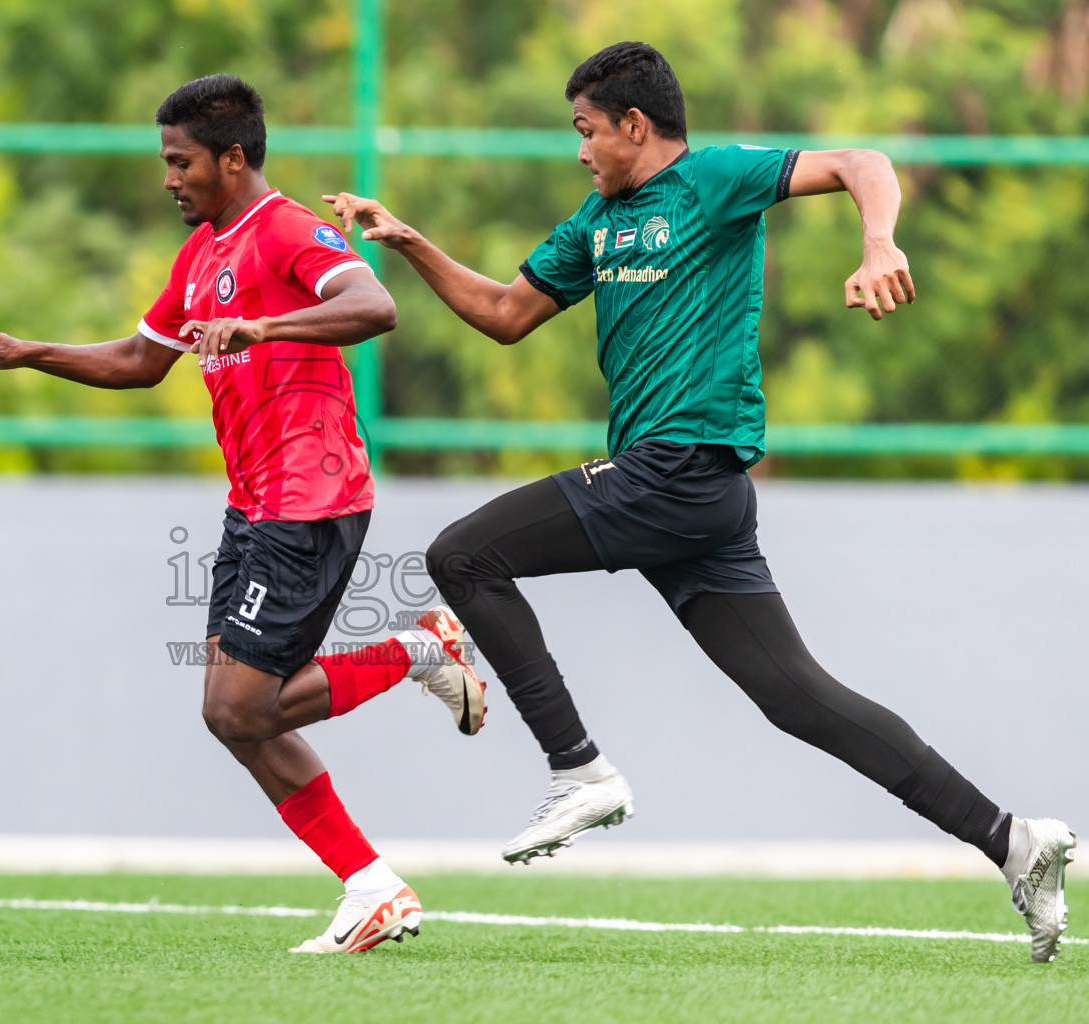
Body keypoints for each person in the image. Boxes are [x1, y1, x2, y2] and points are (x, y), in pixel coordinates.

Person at [326, 41, 1076, 962]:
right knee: (802, 701)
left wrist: (879, 239)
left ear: (634, 126)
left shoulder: (716, 180)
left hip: (680, 472)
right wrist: (406, 242)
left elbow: (861, 163)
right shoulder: (595, 220)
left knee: (462, 555)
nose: (580, 152)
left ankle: (578, 768)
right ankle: (1013, 841)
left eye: (586, 131)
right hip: (691, 499)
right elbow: (504, 314)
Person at [0, 73, 485, 955]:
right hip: (254, 505)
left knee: (240, 708)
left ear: (232, 158)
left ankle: (420, 650)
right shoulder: (200, 256)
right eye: (166, 161)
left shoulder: (283, 232)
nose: (168, 177)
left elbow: (373, 305)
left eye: (180, 160)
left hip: (311, 500)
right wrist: (27, 351)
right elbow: (137, 359)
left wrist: (265, 330)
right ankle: (372, 885)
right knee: (232, 713)